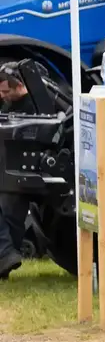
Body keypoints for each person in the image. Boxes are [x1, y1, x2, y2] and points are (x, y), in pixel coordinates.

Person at [0, 64, 35, 279]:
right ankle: (6, 259)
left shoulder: (35, 106)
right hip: (8, 171)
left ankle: (6, 255)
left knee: (10, 216)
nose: (1, 95)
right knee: (9, 218)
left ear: (19, 85)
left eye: (5, 91)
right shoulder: (7, 106)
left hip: (21, 172)